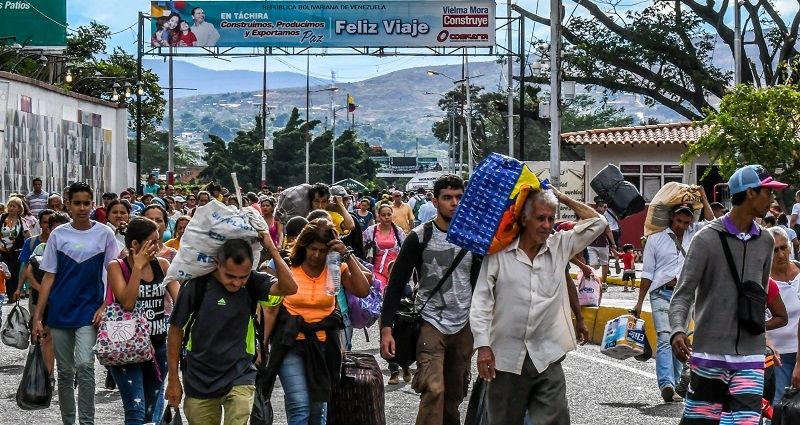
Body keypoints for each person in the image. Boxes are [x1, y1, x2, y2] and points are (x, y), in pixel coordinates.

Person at [470, 186, 605, 425]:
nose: (546, 225)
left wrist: (562, 197)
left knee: (555, 420)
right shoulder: (499, 254)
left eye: (551, 218)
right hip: (506, 359)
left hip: (547, 356)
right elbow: (481, 302)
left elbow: (598, 223)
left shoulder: (560, 246)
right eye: (540, 218)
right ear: (524, 219)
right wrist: (483, 346)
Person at [670, 165, 789, 425]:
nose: (772, 199)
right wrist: (678, 329)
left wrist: (763, 339)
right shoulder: (705, 240)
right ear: (750, 193)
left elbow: (759, 294)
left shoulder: (766, 242)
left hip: (751, 357)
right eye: (768, 192)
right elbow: (683, 294)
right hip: (709, 355)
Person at [380, 175, 482, 425]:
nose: (454, 203)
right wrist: (386, 329)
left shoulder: (473, 238)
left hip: (463, 324)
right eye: (447, 198)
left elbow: (482, 286)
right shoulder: (419, 237)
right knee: (433, 389)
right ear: (435, 201)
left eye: (459, 197)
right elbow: (395, 285)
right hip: (430, 322)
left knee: (454, 396)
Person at [165, 235, 298, 424]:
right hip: (199, 377)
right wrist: (173, 379)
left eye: (242, 277)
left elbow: (290, 287)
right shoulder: (197, 286)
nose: (236, 283)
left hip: (240, 374)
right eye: (230, 276)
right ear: (217, 263)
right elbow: (175, 330)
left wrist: (272, 249)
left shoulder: (254, 282)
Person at [262, 218, 370, 425]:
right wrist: (263, 346)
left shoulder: (335, 269)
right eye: (313, 249)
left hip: (324, 346)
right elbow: (271, 310)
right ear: (304, 245)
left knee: (318, 408)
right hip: (290, 343)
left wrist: (346, 254)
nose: (316, 255)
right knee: (299, 405)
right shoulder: (288, 267)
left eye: (322, 251)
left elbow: (363, 290)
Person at [32, 182, 121, 425]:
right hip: (60, 311)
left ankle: (87, 422)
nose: (82, 208)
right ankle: (69, 421)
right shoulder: (58, 235)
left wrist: (105, 305)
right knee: (65, 371)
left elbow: (114, 273)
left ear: (93, 205)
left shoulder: (105, 233)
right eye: (77, 203)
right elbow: (49, 276)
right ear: (68, 205)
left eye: (86, 203)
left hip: (90, 310)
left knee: (85, 365)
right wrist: (38, 317)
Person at [106, 217, 179, 424]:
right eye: (153, 242)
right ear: (135, 244)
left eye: (158, 240)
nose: (158, 246)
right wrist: (137, 268)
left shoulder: (163, 265)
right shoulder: (116, 267)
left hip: (157, 348)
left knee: (149, 412)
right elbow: (127, 302)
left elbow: (180, 300)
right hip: (126, 350)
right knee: (135, 411)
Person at [363, 204, 410, 385]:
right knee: (384, 319)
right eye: (383, 215)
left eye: (389, 214)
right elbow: (363, 253)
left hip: (395, 276)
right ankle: (393, 367)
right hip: (377, 277)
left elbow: (407, 255)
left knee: (402, 319)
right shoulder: (369, 232)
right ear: (378, 216)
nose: (386, 217)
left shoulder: (399, 233)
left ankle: (404, 362)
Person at [20, 212, 70, 376]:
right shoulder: (41, 248)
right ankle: (49, 375)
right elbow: (29, 272)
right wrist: (43, 291)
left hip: (68, 300)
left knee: (69, 339)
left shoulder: (75, 249)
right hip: (47, 301)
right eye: (55, 228)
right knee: (47, 337)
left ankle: (70, 370)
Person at [765, 226, 800, 404]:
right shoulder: (763, 283)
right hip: (778, 356)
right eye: (774, 250)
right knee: (777, 407)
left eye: (783, 247)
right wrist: (767, 344)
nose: (780, 254)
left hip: (799, 351)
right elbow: (757, 321)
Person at [0, 196, 30, 301]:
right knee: (5, 272)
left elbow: (28, 235)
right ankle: (9, 294)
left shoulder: (22, 221)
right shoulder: (2, 218)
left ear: (19, 208)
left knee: (14, 273)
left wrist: (30, 248)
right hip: (2, 251)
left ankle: (13, 295)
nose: (12, 208)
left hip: (17, 251)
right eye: (10, 205)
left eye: (14, 206)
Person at [586, 197, 616, 290]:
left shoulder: (602, 217)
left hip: (602, 244)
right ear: (598, 207)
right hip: (592, 244)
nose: (605, 209)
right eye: (604, 207)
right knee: (594, 264)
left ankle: (603, 282)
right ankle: (595, 281)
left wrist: (613, 243)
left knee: (604, 263)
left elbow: (608, 231)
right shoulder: (591, 215)